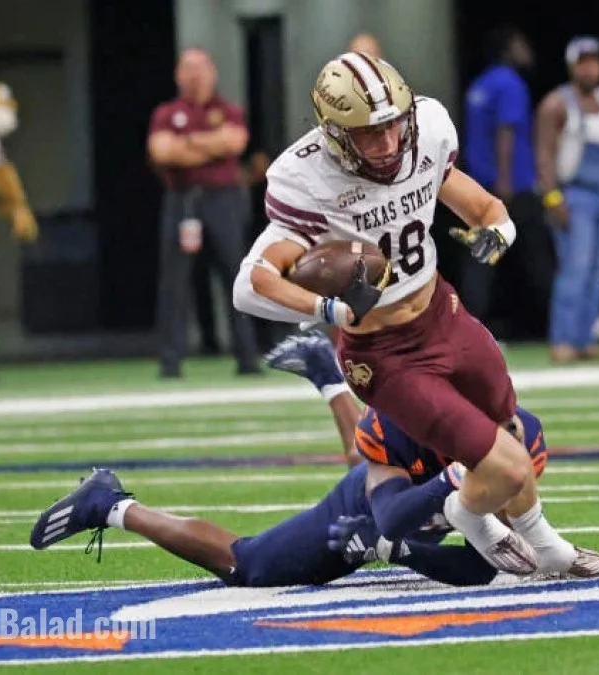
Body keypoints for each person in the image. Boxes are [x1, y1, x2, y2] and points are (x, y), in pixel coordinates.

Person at [232, 51, 577, 574]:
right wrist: (325, 307)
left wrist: (499, 231)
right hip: (384, 350)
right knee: (488, 454)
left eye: (395, 124)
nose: (389, 143)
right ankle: (491, 526)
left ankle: (505, 526)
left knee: (512, 424)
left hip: (443, 312)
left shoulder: (429, 126)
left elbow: (483, 207)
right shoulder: (305, 177)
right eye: (370, 134)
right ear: (335, 133)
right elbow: (250, 284)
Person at [30, 332, 599, 585]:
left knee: (493, 559)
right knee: (249, 566)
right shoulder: (397, 419)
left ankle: (329, 380)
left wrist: (478, 510)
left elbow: (505, 548)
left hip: (417, 497)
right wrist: (438, 503)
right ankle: (111, 504)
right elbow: (387, 519)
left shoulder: (519, 432)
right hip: (376, 507)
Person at [148, 47, 260, 379]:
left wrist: (186, 144)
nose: (195, 74)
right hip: (181, 199)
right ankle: (170, 362)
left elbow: (234, 143)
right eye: (188, 68)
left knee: (235, 277)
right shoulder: (167, 113)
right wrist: (210, 146)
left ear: (212, 71)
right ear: (178, 74)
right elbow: (161, 151)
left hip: (222, 199)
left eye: (200, 67)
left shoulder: (229, 110)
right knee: (174, 282)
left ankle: (247, 358)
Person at [536, 37, 599, 364]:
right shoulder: (557, 104)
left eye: (595, 61)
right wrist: (552, 197)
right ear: (572, 66)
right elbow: (544, 154)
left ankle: (585, 337)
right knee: (575, 266)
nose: (590, 67)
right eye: (584, 61)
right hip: (575, 193)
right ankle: (563, 339)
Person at [461, 27, 554, 333]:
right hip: (512, 185)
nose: (527, 50)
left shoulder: (480, 85)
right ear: (508, 48)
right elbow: (506, 132)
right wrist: (505, 181)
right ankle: (563, 327)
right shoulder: (510, 84)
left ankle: (472, 328)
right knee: (537, 259)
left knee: (481, 261)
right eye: (521, 44)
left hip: (480, 184)